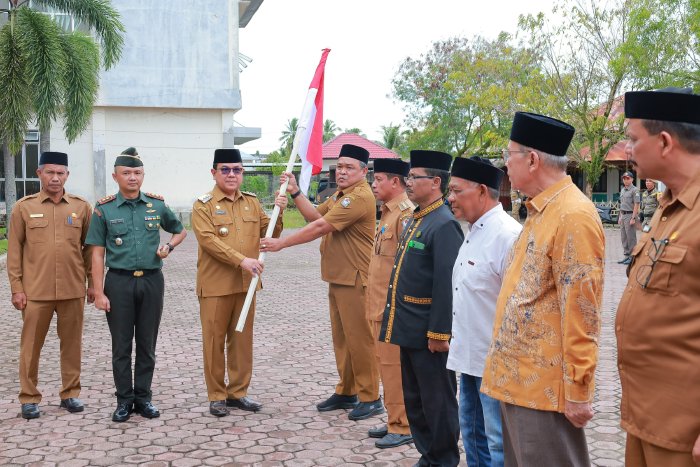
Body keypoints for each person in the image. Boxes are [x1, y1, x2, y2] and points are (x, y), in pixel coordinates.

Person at [481, 112, 605, 467]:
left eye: (509, 155)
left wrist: (579, 392)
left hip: (544, 394)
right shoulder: (540, 211)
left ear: (532, 159)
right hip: (516, 382)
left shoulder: (572, 216)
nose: (505, 164)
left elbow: (583, 313)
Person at [260, 144, 382, 421]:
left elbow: (320, 228)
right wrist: (295, 192)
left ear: (364, 171)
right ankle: (347, 390)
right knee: (343, 339)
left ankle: (371, 396)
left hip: (356, 279)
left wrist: (282, 244)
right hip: (339, 277)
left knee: (360, 341)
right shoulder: (341, 195)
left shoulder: (359, 197)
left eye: (349, 167)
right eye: (339, 166)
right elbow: (314, 216)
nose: (342, 172)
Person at [616, 88, 700, 466]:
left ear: (664, 142)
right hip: (647, 418)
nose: (629, 150)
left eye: (634, 139)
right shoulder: (670, 206)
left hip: (685, 432)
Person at [86, 147, 186, 422]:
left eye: (137, 173)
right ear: (115, 176)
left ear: (143, 175)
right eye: (127, 173)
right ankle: (123, 401)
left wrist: (169, 246)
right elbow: (96, 252)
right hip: (118, 282)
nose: (132, 177)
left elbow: (180, 230)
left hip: (152, 281)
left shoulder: (156, 205)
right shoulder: (104, 209)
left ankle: (143, 398)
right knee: (121, 346)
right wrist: (98, 291)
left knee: (147, 344)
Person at [379, 150, 464, 467]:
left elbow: (446, 285)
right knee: (415, 401)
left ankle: (443, 459)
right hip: (408, 328)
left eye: (415, 177)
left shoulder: (443, 224)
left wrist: (440, 333)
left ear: (436, 182)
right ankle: (428, 455)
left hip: (429, 333)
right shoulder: (418, 218)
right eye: (409, 177)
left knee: (437, 401)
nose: (409, 182)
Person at [192, 148, 287, 417]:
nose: (232, 175)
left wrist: (280, 211)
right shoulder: (203, 205)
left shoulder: (252, 202)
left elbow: (271, 232)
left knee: (242, 342)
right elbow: (208, 241)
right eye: (225, 169)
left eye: (237, 170)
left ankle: (238, 392)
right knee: (214, 342)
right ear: (214, 172)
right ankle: (216, 395)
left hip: (246, 285)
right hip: (215, 285)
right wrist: (241, 260)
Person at [446, 156, 522, 467]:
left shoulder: (508, 235)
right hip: (469, 357)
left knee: (497, 443)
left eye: (456, 191)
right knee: (473, 435)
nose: (450, 198)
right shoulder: (474, 230)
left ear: (481, 191)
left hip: (496, 363)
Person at [7, 151, 94, 419]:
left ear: (67, 175)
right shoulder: (24, 207)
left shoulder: (80, 207)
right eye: (50, 172)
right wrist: (17, 288)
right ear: (39, 174)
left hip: (72, 290)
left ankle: (70, 394)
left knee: (72, 345)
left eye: (60, 173)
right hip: (35, 292)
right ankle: (29, 397)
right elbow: (13, 252)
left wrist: (93, 285)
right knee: (31, 346)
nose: (55, 178)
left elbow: (89, 249)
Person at [365, 158, 414, 448]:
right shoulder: (386, 214)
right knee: (385, 365)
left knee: (395, 367)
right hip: (378, 306)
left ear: (395, 182)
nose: (374, 183)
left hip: (392, 309)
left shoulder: (405, 214)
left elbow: (408, 266)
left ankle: (403, 424)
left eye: (379, 178)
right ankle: (394, 417)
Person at [618, 171, 640, 264]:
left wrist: (633, 218)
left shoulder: (635, 190)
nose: (626, 180)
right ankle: (627, 255)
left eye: (628, 178)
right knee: (624, 237)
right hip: (623, 215)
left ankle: (632, 256)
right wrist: (620, 216)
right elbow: (621, 204)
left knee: (631, 237)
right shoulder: (623, 190)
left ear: (632, 179)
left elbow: (636, 204)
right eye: (624, 178)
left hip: (630, 215)